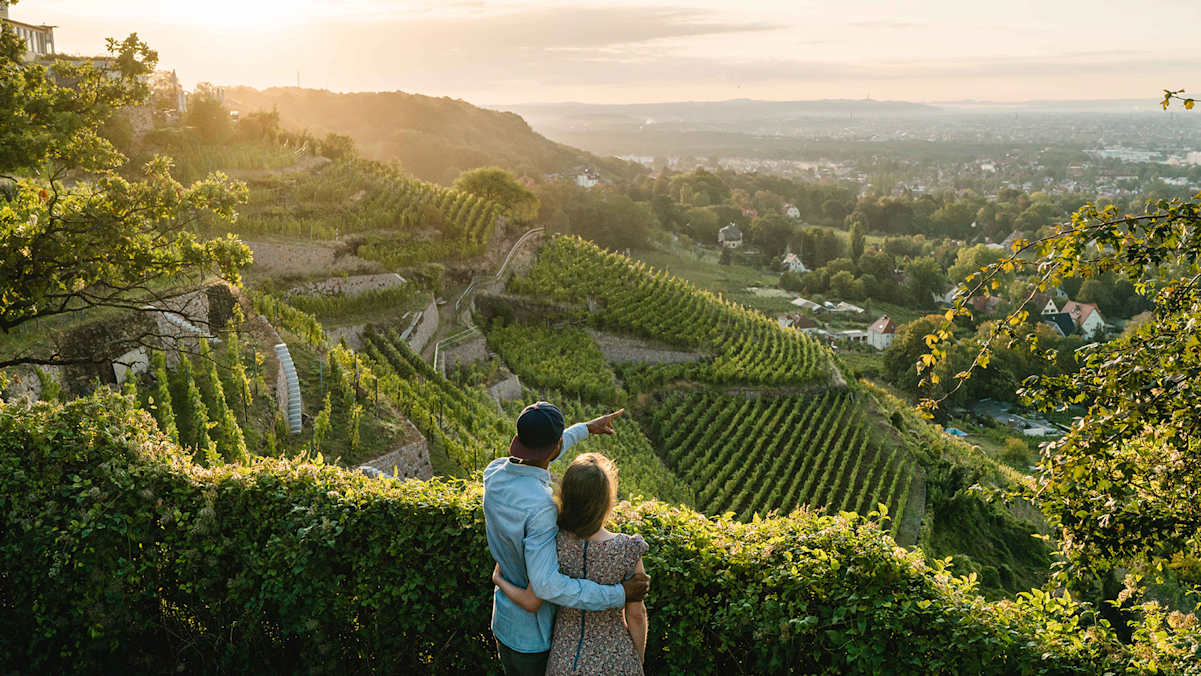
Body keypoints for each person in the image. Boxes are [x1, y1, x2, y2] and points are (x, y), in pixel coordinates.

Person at [484, 402, 650, 676]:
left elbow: (538, 459)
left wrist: (585, 429)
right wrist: (619, 593)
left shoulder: (493, 473)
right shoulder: (542, 508)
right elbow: (547, 585)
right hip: (534, 636)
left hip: (503, 620)